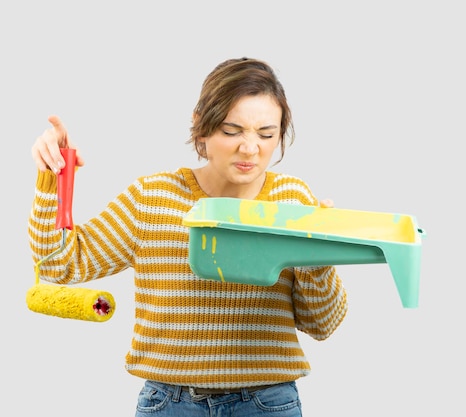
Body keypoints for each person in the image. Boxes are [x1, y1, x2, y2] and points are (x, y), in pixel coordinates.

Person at [29, 57, 348, 417]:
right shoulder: (152, 198)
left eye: (266, 133)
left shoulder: (292, 200)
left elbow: (323, 325)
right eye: (232, 130)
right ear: (201, 128)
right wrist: (52, 180)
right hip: (170, 404)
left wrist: (320, 254)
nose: (249, 147)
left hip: (267, 403)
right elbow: (58, 263)